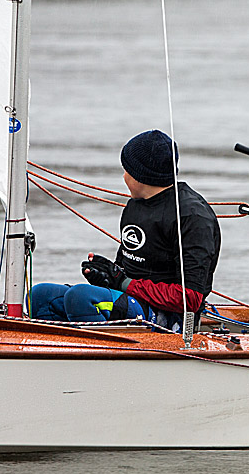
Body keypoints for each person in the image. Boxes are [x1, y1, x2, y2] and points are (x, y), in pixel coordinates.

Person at [29, 130, 221, 333]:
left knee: (81, 297)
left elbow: (190, 298)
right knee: (39, 296)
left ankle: (100, 359)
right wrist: (106, 277)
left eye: (127, 170)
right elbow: (126, 270)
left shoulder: (192, 216)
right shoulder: (135, 206)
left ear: (141, 175)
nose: (124, 175)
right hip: (133, 299)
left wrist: (124, 283)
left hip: (170, 316)